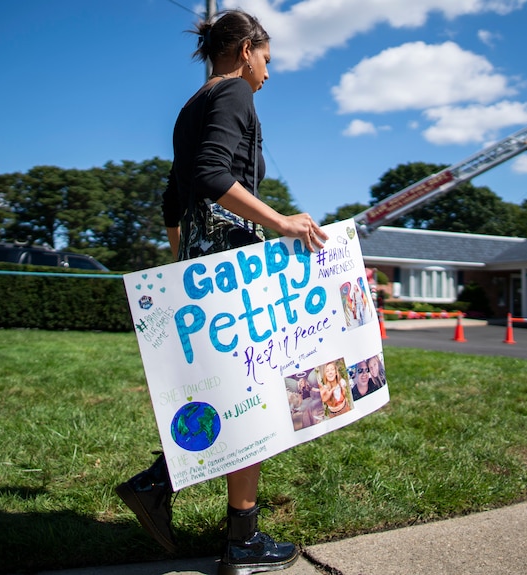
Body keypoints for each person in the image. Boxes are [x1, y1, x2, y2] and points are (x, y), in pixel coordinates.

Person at [115, 10, 327, 575]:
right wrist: (280, 222)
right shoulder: (234, 93)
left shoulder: (193, 105)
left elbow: (173, 197)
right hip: (231, 260)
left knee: (231, 388)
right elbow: (211, 175)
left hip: (202, 260)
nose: (267, 73)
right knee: (254, 389)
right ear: (244, 50)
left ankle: (213, 518)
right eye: (267, 59)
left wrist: (183, 263)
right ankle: (217, 524)